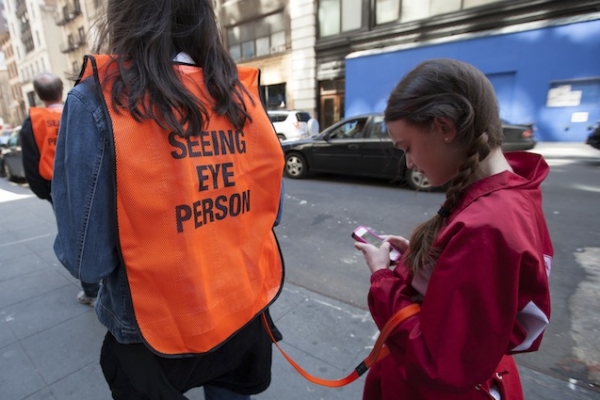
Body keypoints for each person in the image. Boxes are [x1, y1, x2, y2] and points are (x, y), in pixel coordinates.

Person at [51, 1, 285, 399]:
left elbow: (87, 259)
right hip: (243, 309)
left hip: (151, 326)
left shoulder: (99, 99)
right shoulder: (241, 94)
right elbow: (269, 213)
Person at [354, 59, 552, 400]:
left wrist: (382, 279)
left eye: (407, 147)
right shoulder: (507, 196)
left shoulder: (487, 225)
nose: (409, 162)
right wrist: (426, 264)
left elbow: (437, 365)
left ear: (444, 127)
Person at [20, 72, 100, 307]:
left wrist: (42, 192)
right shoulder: (79, 110)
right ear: (61, 90)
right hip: (88, 177)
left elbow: (31, 161)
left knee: (75, 234)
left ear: (39, 95)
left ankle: (91, 290)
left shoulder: (34, 122)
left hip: (57, 185)